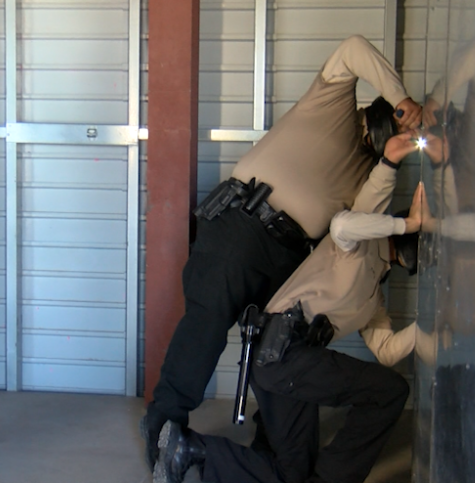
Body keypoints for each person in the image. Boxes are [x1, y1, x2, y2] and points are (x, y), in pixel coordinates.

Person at [141, 35, 423, 469]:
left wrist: (390, 161)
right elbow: (353, 50)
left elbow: (366, 215)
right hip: (242, 228)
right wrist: (403, 100)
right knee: (207, 326)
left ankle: (272, 450)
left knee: (276, 347)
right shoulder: (331, 108)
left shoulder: (370, 172)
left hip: (289, 259)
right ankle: (165, 425)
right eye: (394, 125)